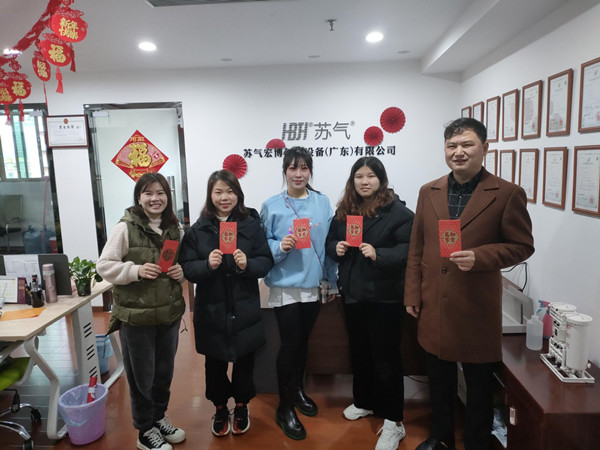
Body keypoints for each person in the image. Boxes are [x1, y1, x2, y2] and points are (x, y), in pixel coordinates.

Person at [404, 118, 534, 450]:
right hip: (434, 303)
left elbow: (522, 246)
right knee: (438, 381)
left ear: (485, 148)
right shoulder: (429, 191)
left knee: (478, 387)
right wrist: (412, 293)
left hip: (476, 306)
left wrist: (481, 256)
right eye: (452, 146)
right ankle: (441, 437)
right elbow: (417, 247)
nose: (458, 152)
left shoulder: (506, 193)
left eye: (467, 145)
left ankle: (477, 442)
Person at [326, 156, 414, 450]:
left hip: (384, 297)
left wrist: (379, 254)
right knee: (360, 353)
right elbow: (330, 242)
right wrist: (336, 248)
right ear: (352, 181)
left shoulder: (398, 213)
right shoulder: (345, 211)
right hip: (353, 295)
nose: (364, 182)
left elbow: (409, 251)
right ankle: (364, 401)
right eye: (359, 176)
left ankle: (394, 420)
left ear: (381, 179)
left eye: (370, 176)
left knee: (386, 359)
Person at [179, 170, 273, 437]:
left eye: (230, 191)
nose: (225, 197)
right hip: (212, 310)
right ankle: (220, 407)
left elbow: (265, 261)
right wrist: (207, 265)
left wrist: (247, 264)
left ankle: (241, 406)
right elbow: (187, 267)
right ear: (210, 195)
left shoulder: (250, 225)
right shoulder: (198, 230)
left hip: (244, 309)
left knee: (245, 362)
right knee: (215, 364)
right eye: (218, 192)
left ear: (238, 194)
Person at [97, 172, 186, 450]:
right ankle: (145, 430)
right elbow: (104, 265)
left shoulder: (174, 228)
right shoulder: (125, 228)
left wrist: (181, 272)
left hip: (168, 315)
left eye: (160, 193)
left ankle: (158, 418)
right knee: (141, 377)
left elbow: (180, 264)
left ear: (168, 196)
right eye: (148, 193)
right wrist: (135, 270)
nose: (155, 198)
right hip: (136, 318)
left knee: (163, 374)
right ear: (139, 197)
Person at [260, 146, 338, 440]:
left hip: (313, 284)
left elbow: (329, 244)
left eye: (304, 168)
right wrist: (280, 246)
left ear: (310, 171)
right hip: (286, 285)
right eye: (293, 168)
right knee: (290, 344)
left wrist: (331, 280)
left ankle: (297, 390)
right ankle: (284, 407)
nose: (298, 174)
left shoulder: (322, 202)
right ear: (285, 171)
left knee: (303, 342)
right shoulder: (271, 205)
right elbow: (262, 244)